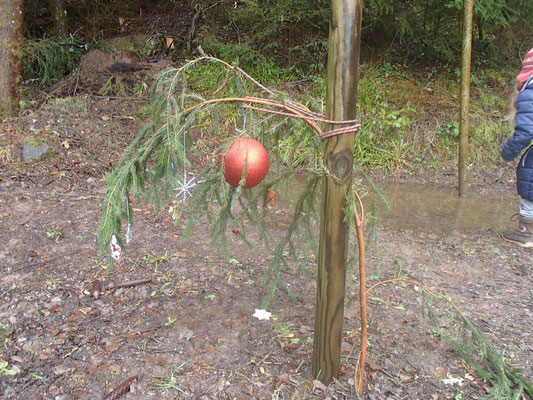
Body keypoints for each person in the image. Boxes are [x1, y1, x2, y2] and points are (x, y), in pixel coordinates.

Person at [501, 47, 533, 247]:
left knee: (529, 172)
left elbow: (527, 131)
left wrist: (508, 152)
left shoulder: (530, 89)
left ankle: (527, 231)